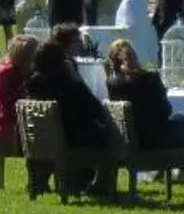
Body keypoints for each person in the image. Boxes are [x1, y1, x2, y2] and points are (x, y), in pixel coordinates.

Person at [104, 38, 184, 205]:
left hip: (129, 142)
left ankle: (165, 173)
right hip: (154, 139)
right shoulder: (150, 78)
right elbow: (165, 110)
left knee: (179, 121)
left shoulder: (112, 84)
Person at [27, 35, 119, 197]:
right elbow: (94, 107)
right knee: (112, 136)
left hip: (41, 141)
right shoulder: (66, 84)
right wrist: (77, 80)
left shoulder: (33, 83)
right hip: (69, 139)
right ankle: (102, 183)